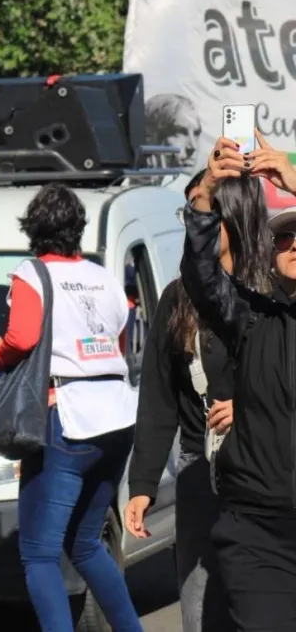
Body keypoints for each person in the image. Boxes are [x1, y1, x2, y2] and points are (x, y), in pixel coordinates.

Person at [0, 183, 141, 632]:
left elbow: (21, 338)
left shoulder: (32, 274)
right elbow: (118, 344)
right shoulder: (104, 278)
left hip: (66, 418)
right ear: (78, 229)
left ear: (33, 230)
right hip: (117, 418)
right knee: (86, 543)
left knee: (39, 554)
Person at [126, 169, 272, 632]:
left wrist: (249, 406)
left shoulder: (273, 296)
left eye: (206, 210)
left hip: (267, 472)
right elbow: (158, 395)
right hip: (198, 472)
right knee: (200, 608)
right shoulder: (177, 298)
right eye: (189, 211)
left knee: (264, 606)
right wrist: (143, 484)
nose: (195, 222)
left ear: (237, 217)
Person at [180, 131, 296, 631]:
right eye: (285, 238)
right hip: (259, 533)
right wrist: (205, 196)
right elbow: (202, 277)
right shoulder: (251, 316)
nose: (294, 245)